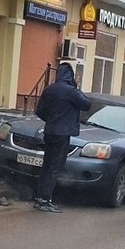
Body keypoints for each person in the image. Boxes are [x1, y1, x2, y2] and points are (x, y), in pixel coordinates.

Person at [33, 62, 90, 213]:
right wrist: (76, 87)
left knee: (47, 165)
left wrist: (52, 120)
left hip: (49, 131)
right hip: (62, 134)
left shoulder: (49, 89)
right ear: (70, 75)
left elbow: (39, 111)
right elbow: (86, 104)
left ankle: (40, 197)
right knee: (55, 167)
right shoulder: (71, 91)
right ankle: (45, 199)